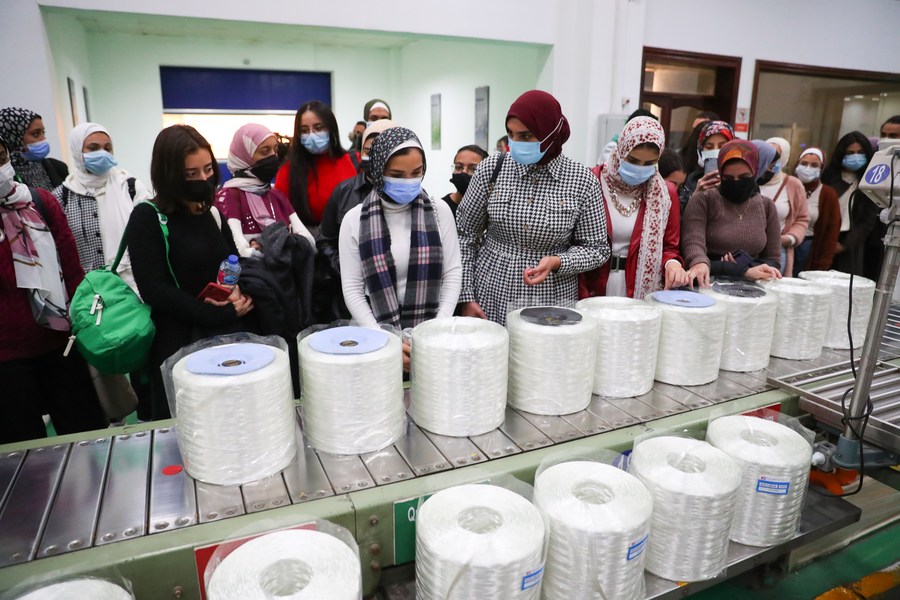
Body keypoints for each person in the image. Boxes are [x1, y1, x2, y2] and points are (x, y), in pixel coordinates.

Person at [126, 125, 255, 420]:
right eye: (191, 174)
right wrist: (216, 313)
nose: (203, 179)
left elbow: (232, 260)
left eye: (208, 169)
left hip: (223, 337)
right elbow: (154, 288)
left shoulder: (210, 211)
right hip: (177, 346)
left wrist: (237, 291)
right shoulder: (147, 217)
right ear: (170, 174)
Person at [456, 90, 609, 325]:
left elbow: (597, 249)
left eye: (526, 136)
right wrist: (466, 296)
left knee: (541, 350)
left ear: (550, 133)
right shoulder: (492, 169)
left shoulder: (582, 181)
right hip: (491, 294)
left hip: (551, 298)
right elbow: (465, 235)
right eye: (511, 135)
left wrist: (558, 261)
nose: (516, 144)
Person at [0, 133, 106, 443]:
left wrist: (84, 323)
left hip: (59, 341)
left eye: (1, 157)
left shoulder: (41, 202)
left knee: (87, 440)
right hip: (6, 359)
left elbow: (72, 272)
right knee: (23, 453)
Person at [339, 126, 461, 371]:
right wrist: (386, 342)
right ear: (377, 172)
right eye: (397, 174)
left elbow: (452, 273)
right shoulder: (355, 219)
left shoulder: (439, 211)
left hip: (432, 336)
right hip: (373, 336)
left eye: (416, 173)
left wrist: (435, 331)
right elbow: (352, 289)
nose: (409, 182)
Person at [579, 117, 688, 299]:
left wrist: (673, 264)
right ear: (621, 150)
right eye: (633, 160)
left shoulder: (665, 194)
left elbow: (670, 247)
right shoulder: (592, 181)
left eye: (649, 163)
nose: (639, 169)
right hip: (593, 284)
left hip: (639, 288)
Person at [317, 119, 397, 320]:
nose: (376, 156)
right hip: (349, 296)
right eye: (369, 150)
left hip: (397, 291)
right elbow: (325, 240)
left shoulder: (409, 195)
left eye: (383, 150)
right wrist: (346, 268)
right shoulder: (343, 192)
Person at [51, 123, 151, 280]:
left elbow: (151, 236)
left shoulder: (131, 188)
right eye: (93, 148)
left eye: (107, 148)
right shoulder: (62, 197)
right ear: (77, 151)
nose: (102, 153)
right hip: (88, 287)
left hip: (133, 285)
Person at [682, 139, 782, 287]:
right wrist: (741, 270)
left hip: (753, 287)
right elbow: (693, 249)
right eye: (728, 178)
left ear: (755, 172)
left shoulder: (767, 206)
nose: (736, 183)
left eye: (744, 178)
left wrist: (753, 269)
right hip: (707, 284)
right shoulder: (703, 200)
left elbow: (773, 259)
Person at [215, 123, 315, 258]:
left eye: (275, 150)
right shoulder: (229, 197)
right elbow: (239, 251)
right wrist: (286, 243)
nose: (273, 156)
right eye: (265, 151)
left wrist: (265, 245)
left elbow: (309, 243)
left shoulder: (277, 196)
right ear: (244, 156)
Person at [274, 100, 357, 233]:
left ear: (331, 128)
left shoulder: (353, 160)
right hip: (308, 240)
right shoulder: (288, 170)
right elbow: (279, 215)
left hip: (350, 235)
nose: (311, 135)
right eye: (304, 130)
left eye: (318, 128)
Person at [820, 132, 877, 276]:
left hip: (851, 243)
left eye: (860, 152)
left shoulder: (870, 182)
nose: (855, 157)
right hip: (823, 239)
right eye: (850, 153)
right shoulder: (829, 178)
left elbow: (867, 220)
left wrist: (845, 245)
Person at [757, 137, 809, 277]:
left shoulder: (793, 184)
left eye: (776, 156)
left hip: (777, 248)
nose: (771, 160)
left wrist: (789, 238)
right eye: (767, 155)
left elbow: (802, 218)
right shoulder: (748, 179)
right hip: (750, 247)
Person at [792, 147, 841, 274]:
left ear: (821, 168)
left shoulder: (828, 194)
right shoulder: (786, 186)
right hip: (782, 246)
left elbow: (831, 233)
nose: (807, 168)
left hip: (807, 249)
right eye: (804, 163)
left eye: (814, 165)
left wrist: (822, 266)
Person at [0, 107, 68, 191]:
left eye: (43, 133)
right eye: (35, 134)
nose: (43, 139)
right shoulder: (5, 177)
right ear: (13, 138)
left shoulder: (58, 167)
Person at [679, 120, 734, 212]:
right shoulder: (693, 179)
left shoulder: (741, 177)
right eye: (709, 147)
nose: (715, 151)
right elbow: (683, 213)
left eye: (722, 146)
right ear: (701, 150)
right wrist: (697, 194)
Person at [442, 144, 488, 217]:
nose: (464, 172)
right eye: (458, 167)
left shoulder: (490, 210)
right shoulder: (441, 207)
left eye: (473, 169)